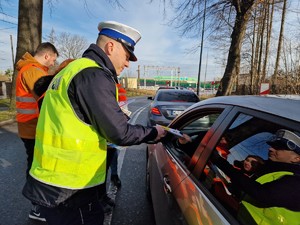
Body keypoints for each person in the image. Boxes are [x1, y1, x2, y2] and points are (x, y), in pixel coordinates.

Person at [22, 21, 166, 225]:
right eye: (127, 56)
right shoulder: (94, 74)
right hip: (71, 188)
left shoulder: (73, 69)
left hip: (50, 178)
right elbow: (119, 133)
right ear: (111, 47)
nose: (127, 64)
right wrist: (154, 132)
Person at [211, 129, 300, 224]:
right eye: (272, 146)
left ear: (296, 158)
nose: (270, 148)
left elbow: (261, 193)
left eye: (278, 148)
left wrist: (219, 161)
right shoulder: (272, 169)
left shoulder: (296, 181)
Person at [15, 42, 58, 221]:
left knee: (35, 166)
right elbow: (46, 94)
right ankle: (37, 208)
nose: (53, 64)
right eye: (53, 60)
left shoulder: (33, 69)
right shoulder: (33, 71)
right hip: (33, 128)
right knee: (37, 168)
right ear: (46, 56)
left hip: (30, 127)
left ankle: (38, 206)